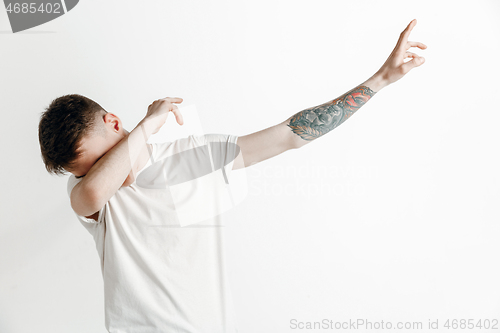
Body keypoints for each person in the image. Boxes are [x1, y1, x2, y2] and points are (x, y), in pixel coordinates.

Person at [38, 19, 426, 333]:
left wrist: (380, 80)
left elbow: (291, 134)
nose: (99, 173)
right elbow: (88, 196)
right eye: (87, 171)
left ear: (112, 122)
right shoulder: (91, 192)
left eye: (100, 159)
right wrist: (146, 126)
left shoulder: (190, 156)